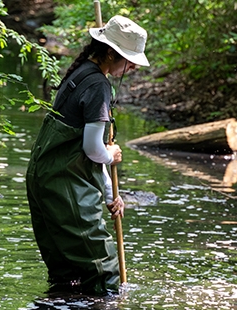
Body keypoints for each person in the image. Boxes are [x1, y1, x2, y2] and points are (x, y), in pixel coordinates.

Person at [26, 15, 149, 295]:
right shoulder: (98, 86)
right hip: (64, 183)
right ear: (109, 52)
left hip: (44, 178)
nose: (131, 67)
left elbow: (84, 146)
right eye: (128, 59)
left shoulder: (80, 72)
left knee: (66, 274)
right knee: (104, 271)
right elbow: (93, 149)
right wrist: (111, 155)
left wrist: (108, 194)